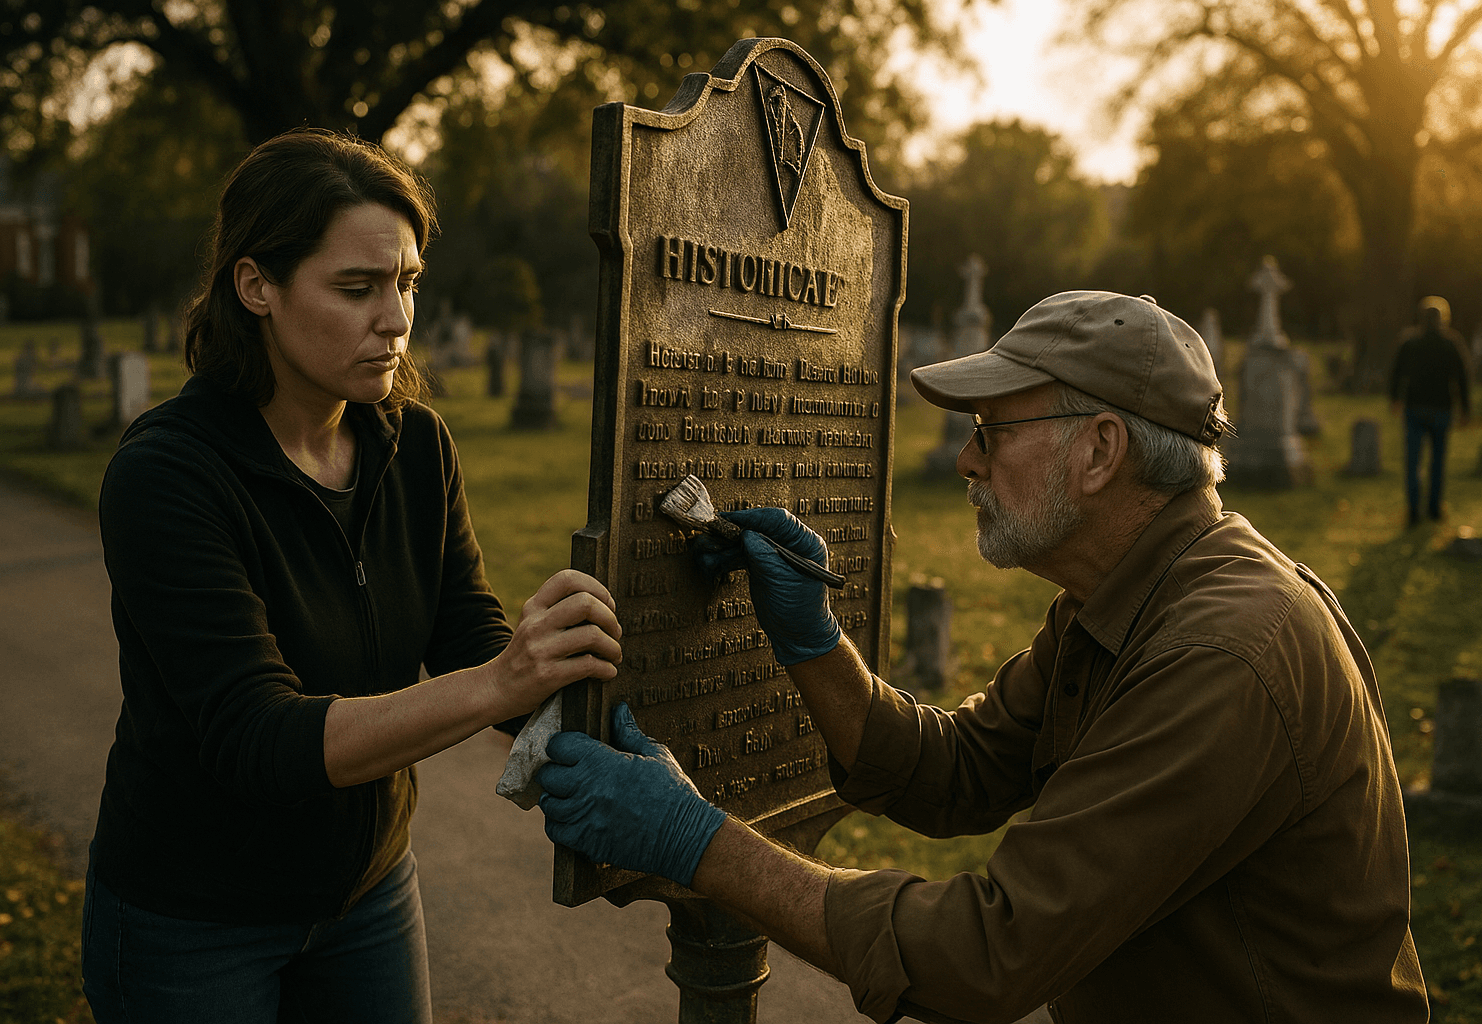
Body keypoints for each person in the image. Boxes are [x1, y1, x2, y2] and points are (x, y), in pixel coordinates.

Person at [537, 292, 1427, 1022]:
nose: (965, 460)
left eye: (990, 432)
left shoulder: (1221, 651)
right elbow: (958, 772)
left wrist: (696, 842)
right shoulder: (1125, 594)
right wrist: (813, 643)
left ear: (1099, 451)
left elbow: (989, 956)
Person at [82, 128, 623, 1023]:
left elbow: (465, 630)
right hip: (193, 921)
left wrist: (586, 681)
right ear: (255, 285)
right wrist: (500, 682)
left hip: (367, 895)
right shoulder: (168, 475)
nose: (397, 319)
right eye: (358, 287)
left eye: (407, 282)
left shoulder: (413, 446)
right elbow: (259, 740)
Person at [1390, 295, 1471, 526]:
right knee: (1437, 461)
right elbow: (1462, 377)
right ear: (1444, 318)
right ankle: (1434, 509)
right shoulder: (1451, 342)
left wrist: (1395, 399)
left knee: (1413, 460)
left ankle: (1413, 509)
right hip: (1441, 409)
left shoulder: (1410, 342)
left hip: (1414, 408)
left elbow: (1397, 372)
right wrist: (1464, 408)